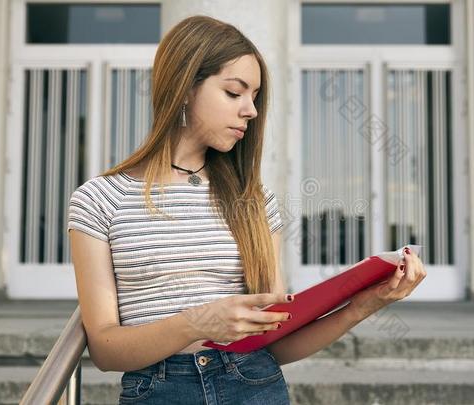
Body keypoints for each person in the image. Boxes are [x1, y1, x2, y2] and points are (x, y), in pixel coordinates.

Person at [67, 15, 426, 405]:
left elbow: (278, 344)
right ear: (185, 87)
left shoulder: (253, 201)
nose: (251, 110)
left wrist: (364, 305)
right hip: (158, 392)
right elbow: (104, 350)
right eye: (235, 93)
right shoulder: (99, 200)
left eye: (254, 96)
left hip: (255, 384)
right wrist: (199, 322)